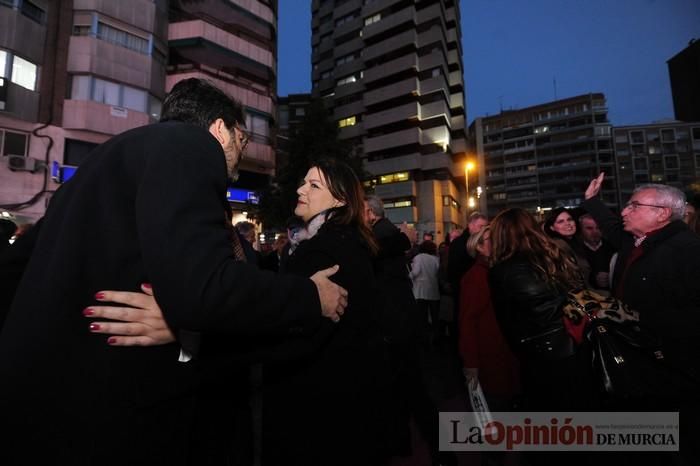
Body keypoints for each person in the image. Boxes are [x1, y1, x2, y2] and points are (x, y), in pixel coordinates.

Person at [0, 78, 348, 466]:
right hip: (115, 423)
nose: (241, 155)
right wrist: (310, 297)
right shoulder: (191, 145)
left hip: (42, 412)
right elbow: (202, 291)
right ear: (220, 130)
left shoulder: (100, 166)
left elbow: (14, 271)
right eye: (243, 142)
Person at [583, 174, 700, 464]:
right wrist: (591, 201)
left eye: (634, 206)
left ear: (662, 213)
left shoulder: (687, 250)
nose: (624, 211)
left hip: (671, 364)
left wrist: (639, 319)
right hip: (638, 357)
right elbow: (610, 226)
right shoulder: (636, 240)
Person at [488, 208, 593, 412]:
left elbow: (510, 321)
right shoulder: (555, 255)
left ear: (500, 235)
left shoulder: (502, 270)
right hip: (577, 346)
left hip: (543, 358)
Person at [458, 226, 519, 409]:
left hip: (507, 355)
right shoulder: (476, 276)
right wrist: (471, 363)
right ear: (479, 246)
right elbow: (467, 322)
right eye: (491, 238)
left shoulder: (498, 270)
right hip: (491, 358)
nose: (499, 241)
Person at [447, 212, 488, 312]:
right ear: (470, 225)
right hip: (464, 291)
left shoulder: (479, 241)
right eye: (481, 226)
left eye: (485, 227)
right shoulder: (460, 244)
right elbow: (453, 271)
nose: (483, 230)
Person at [543, 207, 589, 288]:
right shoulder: (558, 246)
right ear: (552, 228)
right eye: (561, 222)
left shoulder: (577, 243)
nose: (567, 223)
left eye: (570, 219)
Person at [409, 240, 441, 344]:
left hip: (420, 291)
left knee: (422, 317)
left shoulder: (418, 258)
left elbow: (415, 272)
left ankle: (424, 339)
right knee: (434, 317)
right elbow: (438, 272)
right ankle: (436, 338)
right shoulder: (436, 259)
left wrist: (409, 277)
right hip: (433, 291)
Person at [577, 213, 616, 292]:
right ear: (581, 230)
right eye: (589, 228)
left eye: (598, 228)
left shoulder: (613, 247)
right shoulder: (576, 251)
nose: (595, 232)